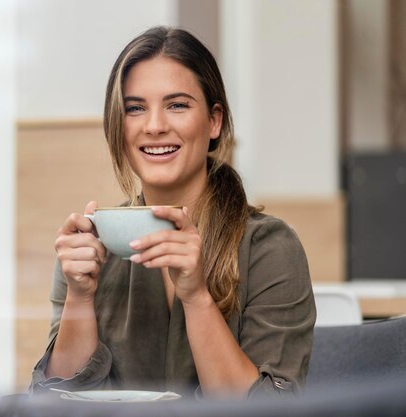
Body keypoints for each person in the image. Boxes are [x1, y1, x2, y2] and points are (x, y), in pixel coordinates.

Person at [30, 26, 316, 399]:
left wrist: (196, 297)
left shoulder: (270, 248)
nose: (154, 126)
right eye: (135, 108)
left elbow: (271, 410)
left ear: (214, 121)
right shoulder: (90, 245)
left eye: (177, 105)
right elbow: (55, 403)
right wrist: (80, 297)